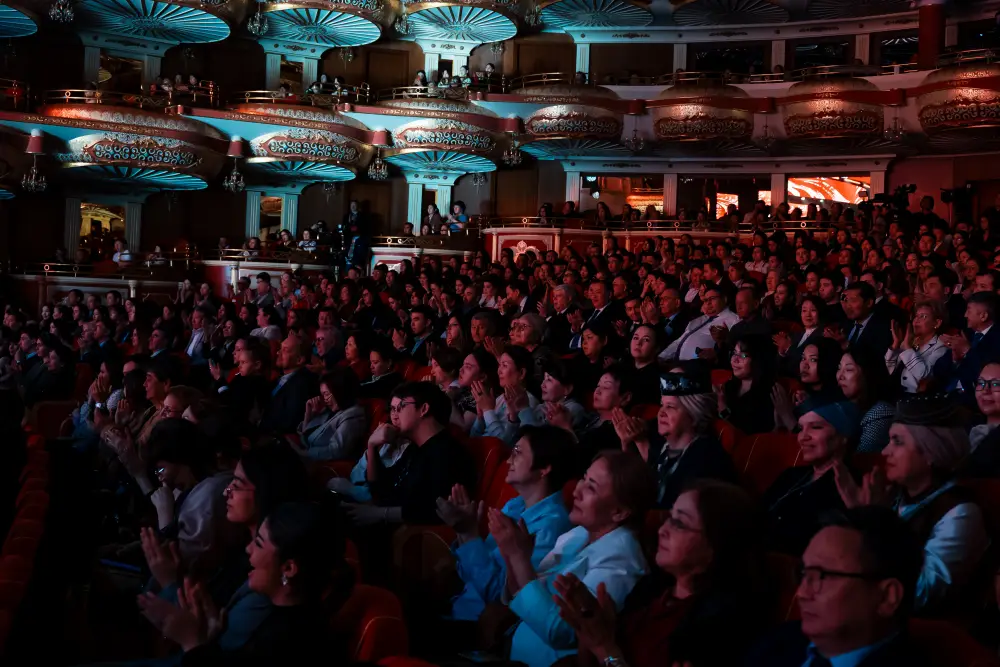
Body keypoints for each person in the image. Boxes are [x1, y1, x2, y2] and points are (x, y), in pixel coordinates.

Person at [556, 480, 769, 667]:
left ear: (717, 544)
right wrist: (589, 628)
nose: (662, 530)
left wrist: (605, 648)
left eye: (679, 524)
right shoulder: (652, 588)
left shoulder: (720, 627)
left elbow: (608, 652)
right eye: (669, 518)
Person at [138, 502, 350, 667]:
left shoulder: (293, 641)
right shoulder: (292, 618)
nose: (248, 549)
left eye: (258, 543)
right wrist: (209, 637)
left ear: (288, 569)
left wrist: (192, 642)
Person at [834, 395, 989, 613]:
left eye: (897, 441)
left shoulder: (960, 513)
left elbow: (919, 593)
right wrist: (859, 518)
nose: (885, 451)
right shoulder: (893, 497)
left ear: (932, 452)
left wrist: (874, 521)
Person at [501, 450, 654, 667]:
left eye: (591, 487)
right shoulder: (577, 534)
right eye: (584, 477)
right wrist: (515, 556)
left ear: (619, 512)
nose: (577, 491)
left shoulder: (622, 561)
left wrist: (517, 559)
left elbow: (564, 632)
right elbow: (522, 591)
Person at [745, 507, 931, 667]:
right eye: (804, 574)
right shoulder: (776, 643)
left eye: (822, 576)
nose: (801, 593)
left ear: (887, 597)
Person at [442, 425, 575, 622]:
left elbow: (501, 596)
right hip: (461, 605)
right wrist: (463, 531)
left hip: (480, 625)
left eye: (518, 453)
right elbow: (470, 572)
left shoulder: (551, 527)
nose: (509, 460)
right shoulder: (515, 506)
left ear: (544, 468)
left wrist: (470, 535)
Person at [343, 382, 476, 527]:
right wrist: (372, 446)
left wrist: (380, 514)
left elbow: (432, 510)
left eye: (399, 407)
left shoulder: (448, 453)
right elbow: (380, 490)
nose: (394, 415)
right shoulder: (415, 447)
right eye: (391, 409)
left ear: (424, 409)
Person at [618, 372, 737, 508]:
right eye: (662, 405)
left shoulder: (708, 459)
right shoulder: (667, 448)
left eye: (670, 407)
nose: (661, 412)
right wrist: (626, 442)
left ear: (693, 415)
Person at [763, 399, 860, 556]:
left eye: (816, 427)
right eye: (801, 428)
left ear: (843, 436)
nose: (802, 437)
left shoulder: (850, 486)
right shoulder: (791, 475)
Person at [293, 368, 367, 461]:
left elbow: (336, 450)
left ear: (339, 391)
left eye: (326, 394)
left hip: (316, 462)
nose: (325, 399)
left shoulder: (353, 415)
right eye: (323, 395)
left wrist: (301, 453)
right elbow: (305, 435)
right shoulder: (330, 410)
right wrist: (309, 414)